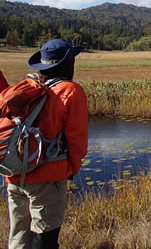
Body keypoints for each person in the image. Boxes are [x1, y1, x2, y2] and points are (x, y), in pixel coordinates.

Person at [3, 39, 88, 249]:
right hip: (48, 178)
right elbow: (77, 141)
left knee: (18, 236)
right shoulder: (70, 91)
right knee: (45, 237)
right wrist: (71, 170)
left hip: (13, 174)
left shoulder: (31, 88)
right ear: (69, 65)